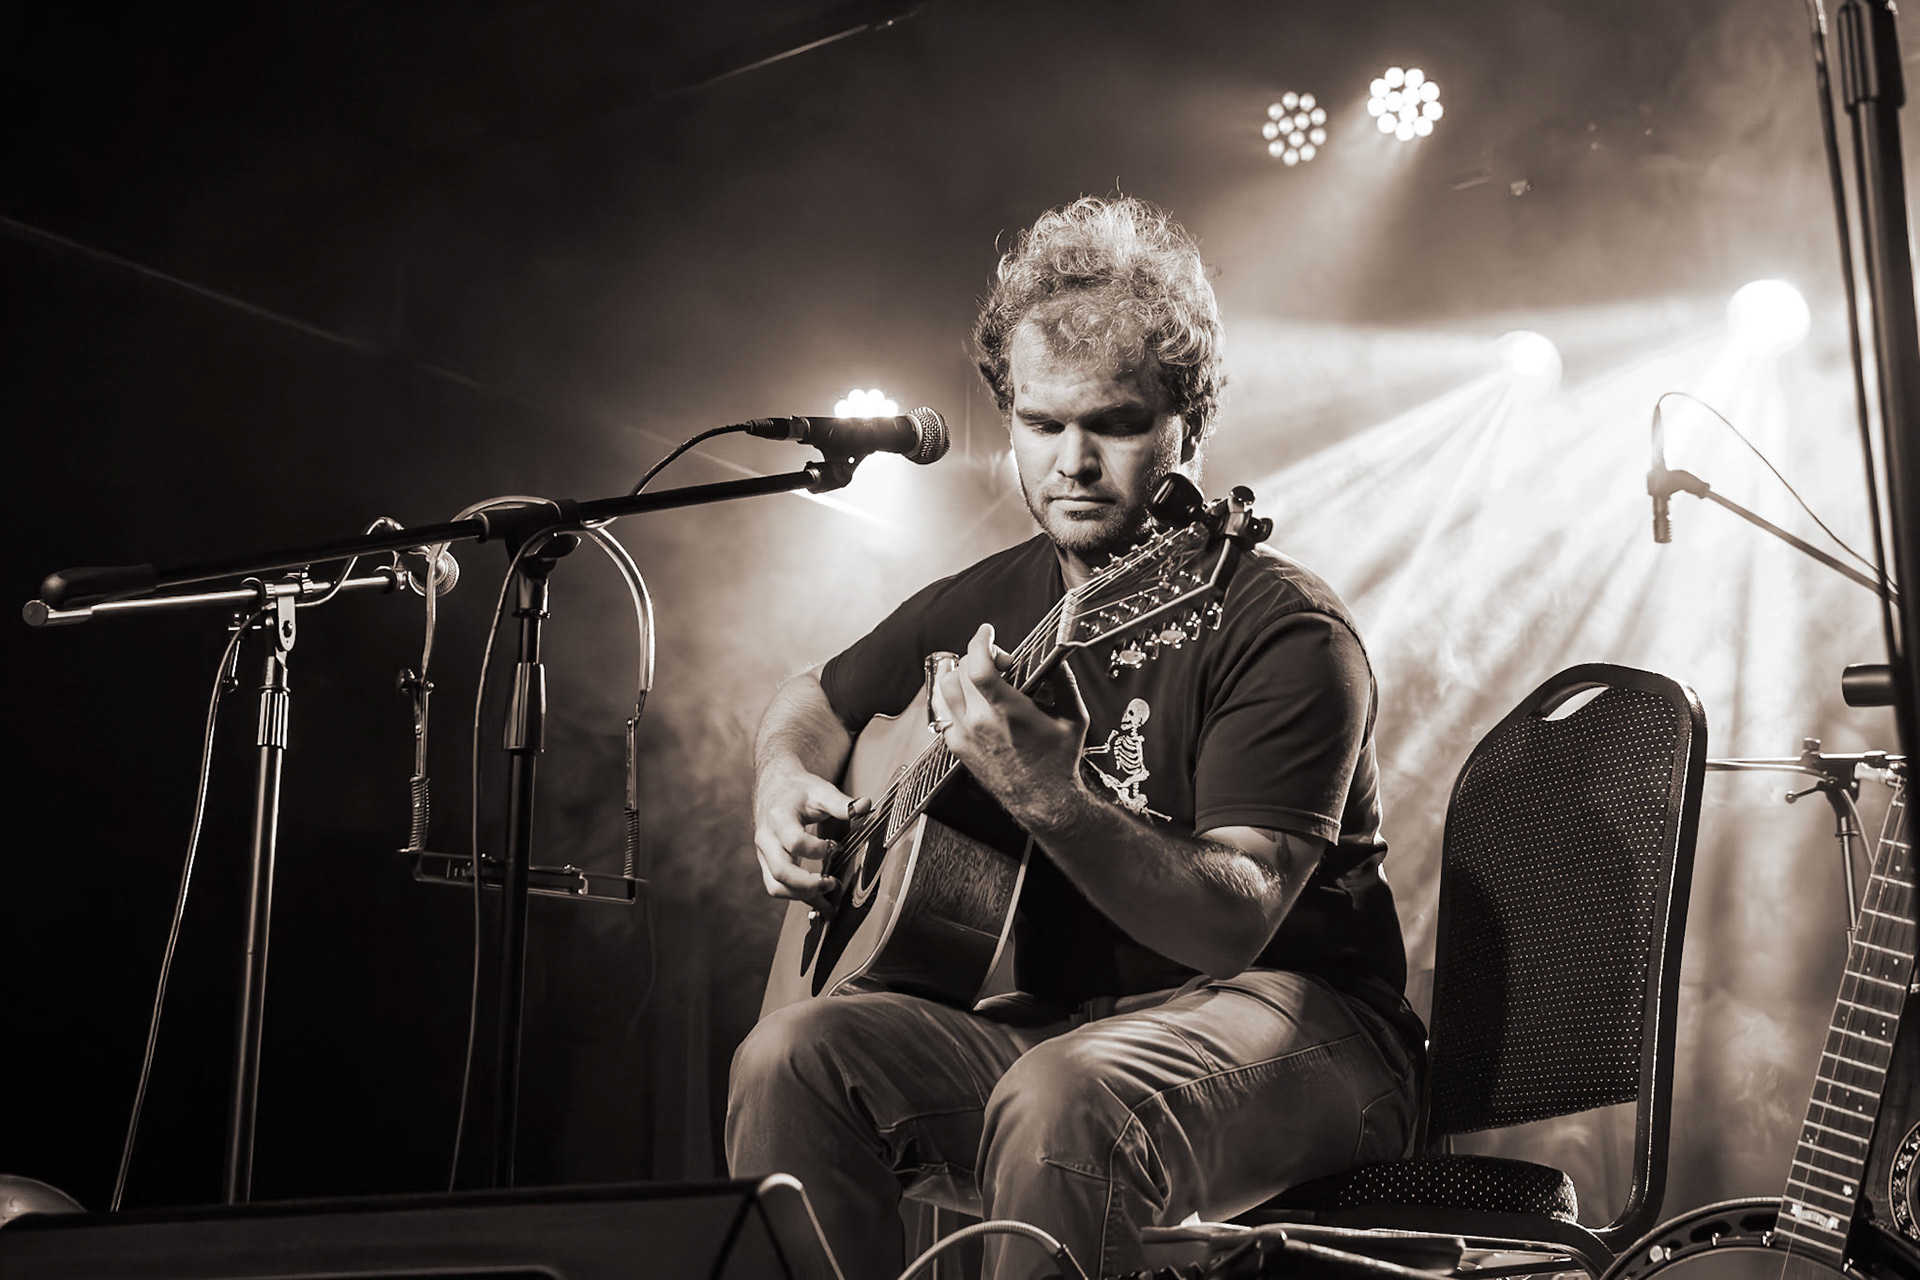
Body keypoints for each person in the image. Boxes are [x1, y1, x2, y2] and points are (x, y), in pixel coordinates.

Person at [727, 195, 1423, 1280]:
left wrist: (1052, 797)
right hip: (1056, 1028)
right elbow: (810, 700)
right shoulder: (989, 598)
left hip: (1300, 1022)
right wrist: (782, 786)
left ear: (1188, 426)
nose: (1074, 462)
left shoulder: (1281, 626)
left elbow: (1232, 923)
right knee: (790, 1056)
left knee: (1065, 1098)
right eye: (1043, 424)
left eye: (1116, 422)